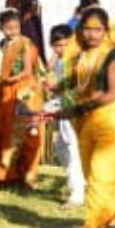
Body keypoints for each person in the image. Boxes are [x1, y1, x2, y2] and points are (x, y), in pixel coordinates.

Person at [57, 7, 115, 228]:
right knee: (95, 174)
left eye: (97, 29)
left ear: (105, 31)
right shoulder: (79, 55)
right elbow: (76, 85)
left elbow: (111, 93)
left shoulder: (112, 54)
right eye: (87, 29)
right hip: (86, 122)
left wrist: (80, 108)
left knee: (99, 176)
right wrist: (56, 90)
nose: (92, 34)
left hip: (109, 121)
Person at [0, 9, 46, 189]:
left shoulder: (24, 43)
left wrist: (8, 79)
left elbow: (27, 70)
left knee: (21, 133)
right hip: (8, 90)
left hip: (24, 91)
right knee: (1, 131)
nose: (12, 31)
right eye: (8, 28)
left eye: (16, 27)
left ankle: (23, 175)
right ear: (1, 28)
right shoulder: (4, 44)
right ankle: (3, 174)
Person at [46, 24, 85, 210]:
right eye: (56, 45)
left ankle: (77, 193)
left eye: (64, 45)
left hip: (73, 107)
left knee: (71, 147)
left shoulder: (77, 60)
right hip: (61, 104)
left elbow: (78, 86)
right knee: (61, 148)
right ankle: (78, 183)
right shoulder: (60, 60)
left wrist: (59, 93)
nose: (60, 49)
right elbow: (52, 73)